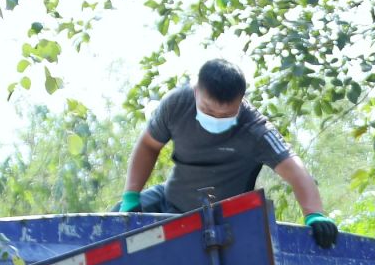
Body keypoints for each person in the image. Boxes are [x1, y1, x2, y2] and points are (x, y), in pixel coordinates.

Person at [118, 58, 339, 248]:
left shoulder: (255, 130)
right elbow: (148, 145)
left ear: (241, 101)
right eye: (208, 110)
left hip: (216, 222)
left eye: (226, 115)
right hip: (168, 199)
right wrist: (131, 195)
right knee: (115, 223)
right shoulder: (176, 104)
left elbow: (295, 170)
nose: (216, 118)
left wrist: (314, 214)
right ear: (196, 91)